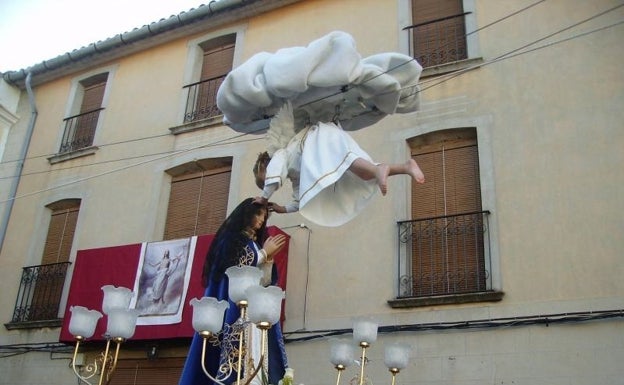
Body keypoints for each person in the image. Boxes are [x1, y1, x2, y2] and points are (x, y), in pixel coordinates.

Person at [252, 102, 425, 227]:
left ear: (267, 165)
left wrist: (264, 198)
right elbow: (300, 198)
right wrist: (282, 209)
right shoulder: (294, 174)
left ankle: (380, 169)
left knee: (350, 163)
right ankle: (404, 167)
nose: (270, 184)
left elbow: (274, 178)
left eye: (265, 178)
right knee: (363, 175)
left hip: (321, 139)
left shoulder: (281, 154)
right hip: (325, 150)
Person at [178, 198, 289, 385]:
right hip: (235, 308)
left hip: (252, 310)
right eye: (258, 214)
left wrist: (268, 260)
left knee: (256, 351)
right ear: (246, 214)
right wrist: (263, 254)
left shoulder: (255, 244)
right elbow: (236, 269)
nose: (262, 220)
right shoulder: (231, 240)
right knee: (235, 353)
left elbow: (262, 281)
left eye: (264, 216)